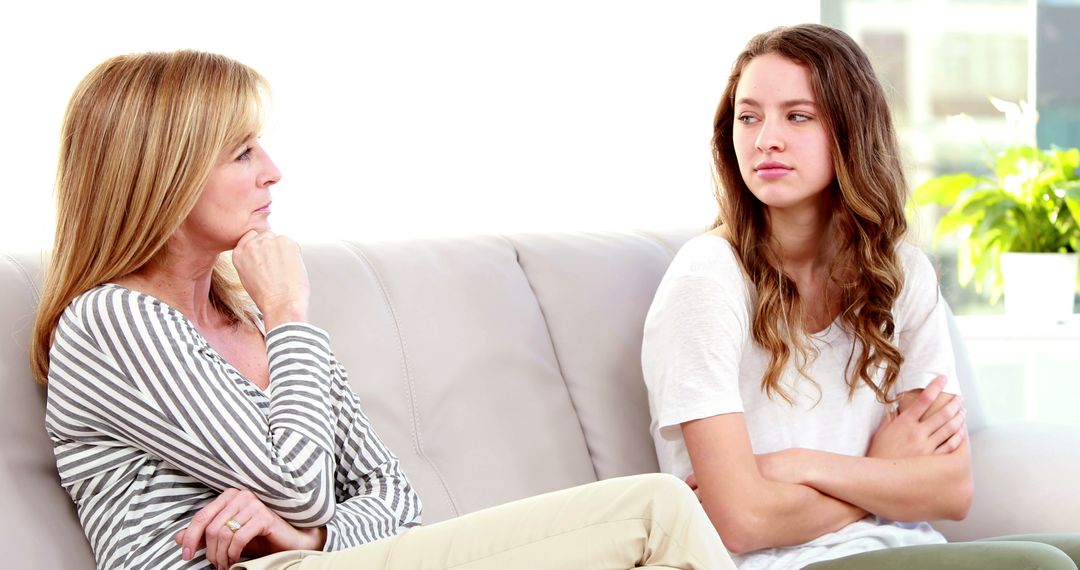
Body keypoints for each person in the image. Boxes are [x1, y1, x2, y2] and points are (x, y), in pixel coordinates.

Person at [32, 50, 734, 570]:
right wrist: (288, 313)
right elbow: (297, 485)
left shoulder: (252, 322)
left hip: (321, 561)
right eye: (242, 152)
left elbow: (395, 496)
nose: (272, 170)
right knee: (657, 510)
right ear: (164, 172)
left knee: (659, 508)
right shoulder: (113, 321)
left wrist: (314, 535)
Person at [642, 23, 1080, 570]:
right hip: (776, 564)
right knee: (1040, 566)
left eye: (797, 116)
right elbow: (741, 520)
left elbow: (949, 489)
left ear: (852, 130)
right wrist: (881, 472)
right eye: (748, 116)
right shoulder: (707, 279)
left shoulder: (901, 273)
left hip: (903, 548)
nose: (765, 139)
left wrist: (799, 464)